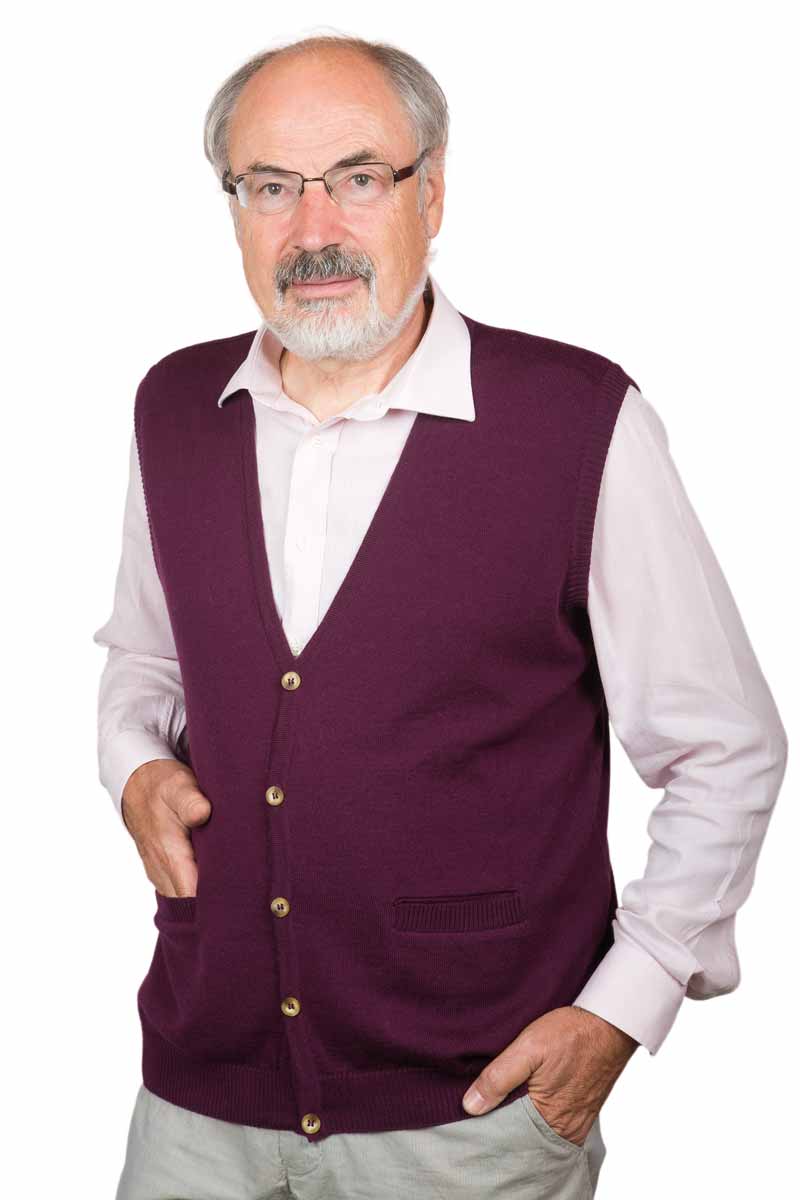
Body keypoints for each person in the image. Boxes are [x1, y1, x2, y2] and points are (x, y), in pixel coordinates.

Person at [93, 32, 789, 1200]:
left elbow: (723, 745)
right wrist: (133, 763)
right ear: (233, 206)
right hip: (198, 1099)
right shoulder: (174, 407)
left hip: (473, 1118)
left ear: (432, 192)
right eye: (271, 186)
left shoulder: (575, 419)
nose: (312, 228)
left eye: (358, 177)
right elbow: (144, 655)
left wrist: (620, 1011)